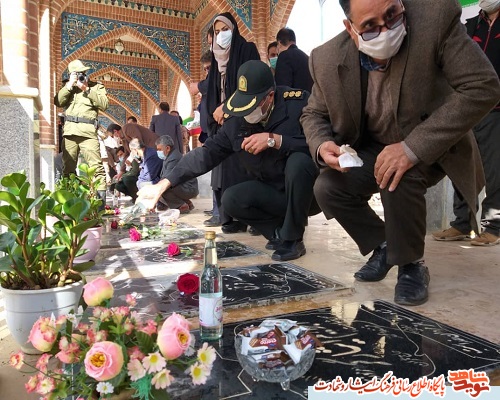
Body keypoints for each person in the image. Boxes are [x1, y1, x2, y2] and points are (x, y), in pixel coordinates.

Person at [300, 0, 500, 306]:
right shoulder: (326, 58)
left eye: (392, 15)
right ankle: (383, 246)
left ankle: (411, 265)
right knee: (327, 187)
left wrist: (411, 148)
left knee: (396, 175)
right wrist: (321, 143)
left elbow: (483, 86)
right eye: (370, 27)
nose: (386, 31)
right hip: (373, 145)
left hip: (432, 143)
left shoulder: (435, 20)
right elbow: (313, 114)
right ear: (350, 29)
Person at [137, 60, 319, 261]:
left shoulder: (297, 104)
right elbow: (205, 154)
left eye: (253, 104)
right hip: (271, 192)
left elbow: (319, 144)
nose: (247, 113)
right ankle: (278, 233)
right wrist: (163, 184)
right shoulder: (237, 121)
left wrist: (276, 140)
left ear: (269, 96)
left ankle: (293, 240)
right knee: (231, 199)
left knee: (299, 162)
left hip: (305, 195)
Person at [432, 0, 500, 246]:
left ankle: (494, 227)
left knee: (495, 172)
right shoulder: (470, 25)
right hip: (468, 109)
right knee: (463, 167)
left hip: (496, 110)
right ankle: (462, 223)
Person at [206, 12, 261, 234]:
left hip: (245, 122)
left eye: (225, 30)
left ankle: (256, 218)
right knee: (227, 173)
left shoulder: (247, 50)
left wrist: (227, 109)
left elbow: (252, 85)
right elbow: (212, 93)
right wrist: (214, 116)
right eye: (217, 31)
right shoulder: (215, 58)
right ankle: (232, 218)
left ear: (234, 29)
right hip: (222, 124)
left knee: (247, 170)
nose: (221, 35)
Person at [54, 59, 109, 207]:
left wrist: (87, 89)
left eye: (83, 72)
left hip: (88, 133)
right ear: (71, 74)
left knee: (97, 168)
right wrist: (69, 85)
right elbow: (58, 102)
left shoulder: (96, 86)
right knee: (68, 169)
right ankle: (70, 205)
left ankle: (99, 207)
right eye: (77, 73)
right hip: (70, 132)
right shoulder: (67, 87)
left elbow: (104, 104)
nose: (81, 75)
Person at [155, 135, 198, 214]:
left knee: (163, 188)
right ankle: (187, 202)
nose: (158, 152)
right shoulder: (169, 156)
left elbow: (167, 179)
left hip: (188, 188)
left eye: (159, 149)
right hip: (184, 186)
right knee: (159, 186)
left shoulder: (174, 158)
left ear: (167, 148)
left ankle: (181, 206)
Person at [274, 28, 313, 92]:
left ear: (279, 43)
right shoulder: (306, 57)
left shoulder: (284, 56)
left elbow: (282, 88)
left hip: (293, 98)